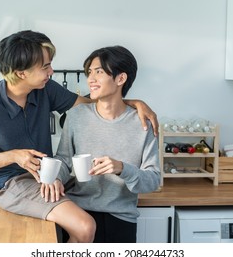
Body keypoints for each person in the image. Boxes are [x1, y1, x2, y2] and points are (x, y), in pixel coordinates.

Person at [0, 30, 159, 243]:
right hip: (13, 183)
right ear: (21, 73)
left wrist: (133, 103)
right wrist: (14, 156)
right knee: (85, 226)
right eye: (45, 66)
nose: (51, 71)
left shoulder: (45, 90)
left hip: (47, 177)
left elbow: (93, 102)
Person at [50, 45, 161, 243]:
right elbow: (64, 160)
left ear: (120, 78)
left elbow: (153, 180)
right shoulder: (76, 117)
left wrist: (122, 169)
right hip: (77, 213)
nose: (90, 79)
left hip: (121, 219)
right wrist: (56, 178)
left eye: (99, 72)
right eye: (89, 72)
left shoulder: (143, 123)